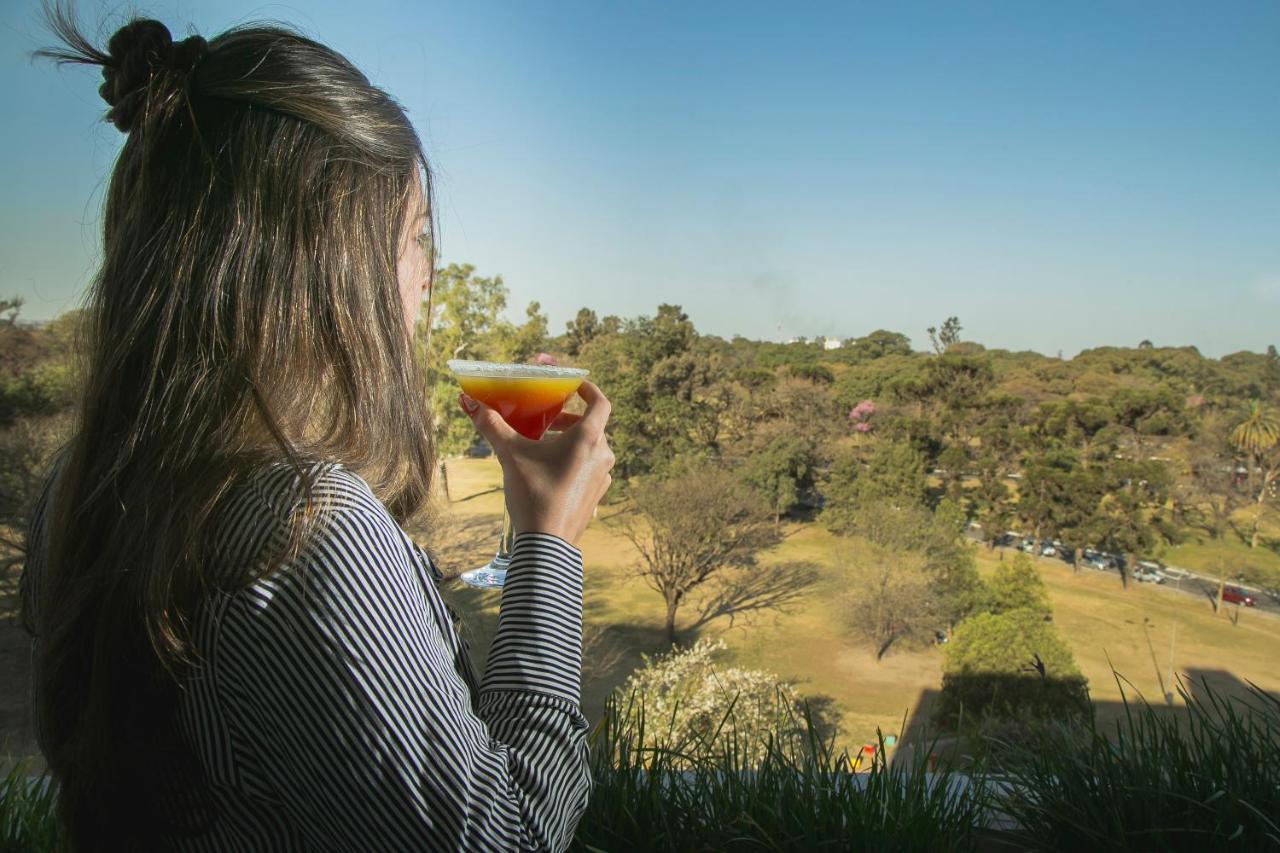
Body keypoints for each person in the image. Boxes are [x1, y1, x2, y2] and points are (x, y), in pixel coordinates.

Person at [20, 6, 613, 850]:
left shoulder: (81, 490)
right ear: (328, 265)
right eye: (413, 239)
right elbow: (505, 836)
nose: (425, 281)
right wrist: (548, 542)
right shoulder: (304, 528)